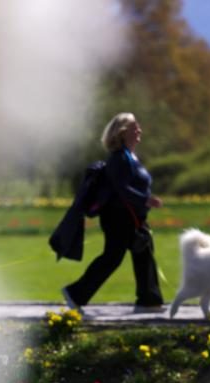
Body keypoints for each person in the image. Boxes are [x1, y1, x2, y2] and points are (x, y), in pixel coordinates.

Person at [62, 112, 164, 314]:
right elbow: (121, 188)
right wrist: (146, 200)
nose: (139, 131)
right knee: (112, 257)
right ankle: (75, 293)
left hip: (133, 217)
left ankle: (149, 300)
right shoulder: (118, 158)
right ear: (123, 132)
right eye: (135, 128)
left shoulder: (130, 157)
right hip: (118, 217)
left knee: (143, 254)